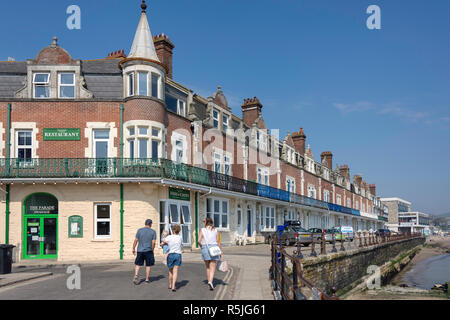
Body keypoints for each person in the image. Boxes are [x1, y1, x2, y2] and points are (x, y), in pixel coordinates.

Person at [198, 217, 222, 291]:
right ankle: (210, 282)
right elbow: (218, 242)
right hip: (214, 249)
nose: (203, 223)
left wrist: (202, 247)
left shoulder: (202, 230)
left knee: (208, 267)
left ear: (206, 222)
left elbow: (199, 241)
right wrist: (220, 251)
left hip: (205, 248)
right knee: (213, 267)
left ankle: (209, 282)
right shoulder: (216, 230)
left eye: (204, 221)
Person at [132, 219, 156, 285]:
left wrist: (133, 248)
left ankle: (136, 275)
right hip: (148, 250)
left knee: (138, 264)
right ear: (150, 224)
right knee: (148, 265)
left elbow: (136, 240)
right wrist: (152, 249)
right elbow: (153, 242)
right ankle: (147, 279)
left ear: (145, 223)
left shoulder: (139, 230)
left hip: (140, 250)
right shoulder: (153, 231)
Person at [163, 225, 183, 292]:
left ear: (173, 230)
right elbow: (180, 245)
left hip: (171, 254)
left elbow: (163, 240)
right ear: (179, 231)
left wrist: (166, 240)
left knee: (170, 271)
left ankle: (170, 284)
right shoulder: (180, 237)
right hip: (178, 254)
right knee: (175, 271)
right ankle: (173, 286)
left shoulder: (169, 237)